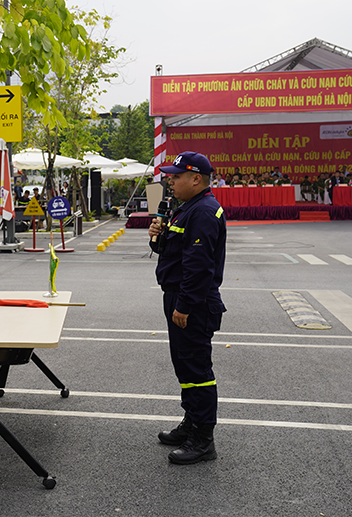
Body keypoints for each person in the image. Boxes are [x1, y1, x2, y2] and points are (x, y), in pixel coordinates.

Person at [148, 151, 227, 465]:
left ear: (196, 179)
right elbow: (173, 252)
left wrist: (183, 306)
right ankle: (191, 420)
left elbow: (198, 267)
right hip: (180, 297)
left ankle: (203, 438)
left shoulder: (204, 211)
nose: (171, 180)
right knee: (184, 366)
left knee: (197, 369)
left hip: (191, 301)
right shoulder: (188, 208)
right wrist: (157, 238)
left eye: (177, 176)